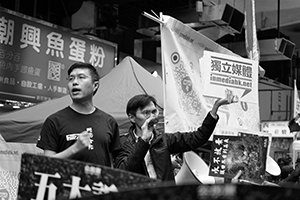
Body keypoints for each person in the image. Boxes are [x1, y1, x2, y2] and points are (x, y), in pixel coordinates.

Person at [115, 89, 237, 181]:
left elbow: (198, 137)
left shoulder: (164, 140)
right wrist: (143, 141)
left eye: (154, 111)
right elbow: (123, 171)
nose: (152, 116)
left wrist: (215, 108)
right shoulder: (123, 142)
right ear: (132, 117)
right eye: (146, 113)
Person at [36, 62, 120, 167]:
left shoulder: (109, 121)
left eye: (81, 77)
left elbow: (111, 163)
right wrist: (75, 148)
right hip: (67, 183)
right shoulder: (54, 121)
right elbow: (46, 163)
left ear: (95, 85)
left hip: (99, 183)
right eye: (71, 79)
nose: (75, 82)